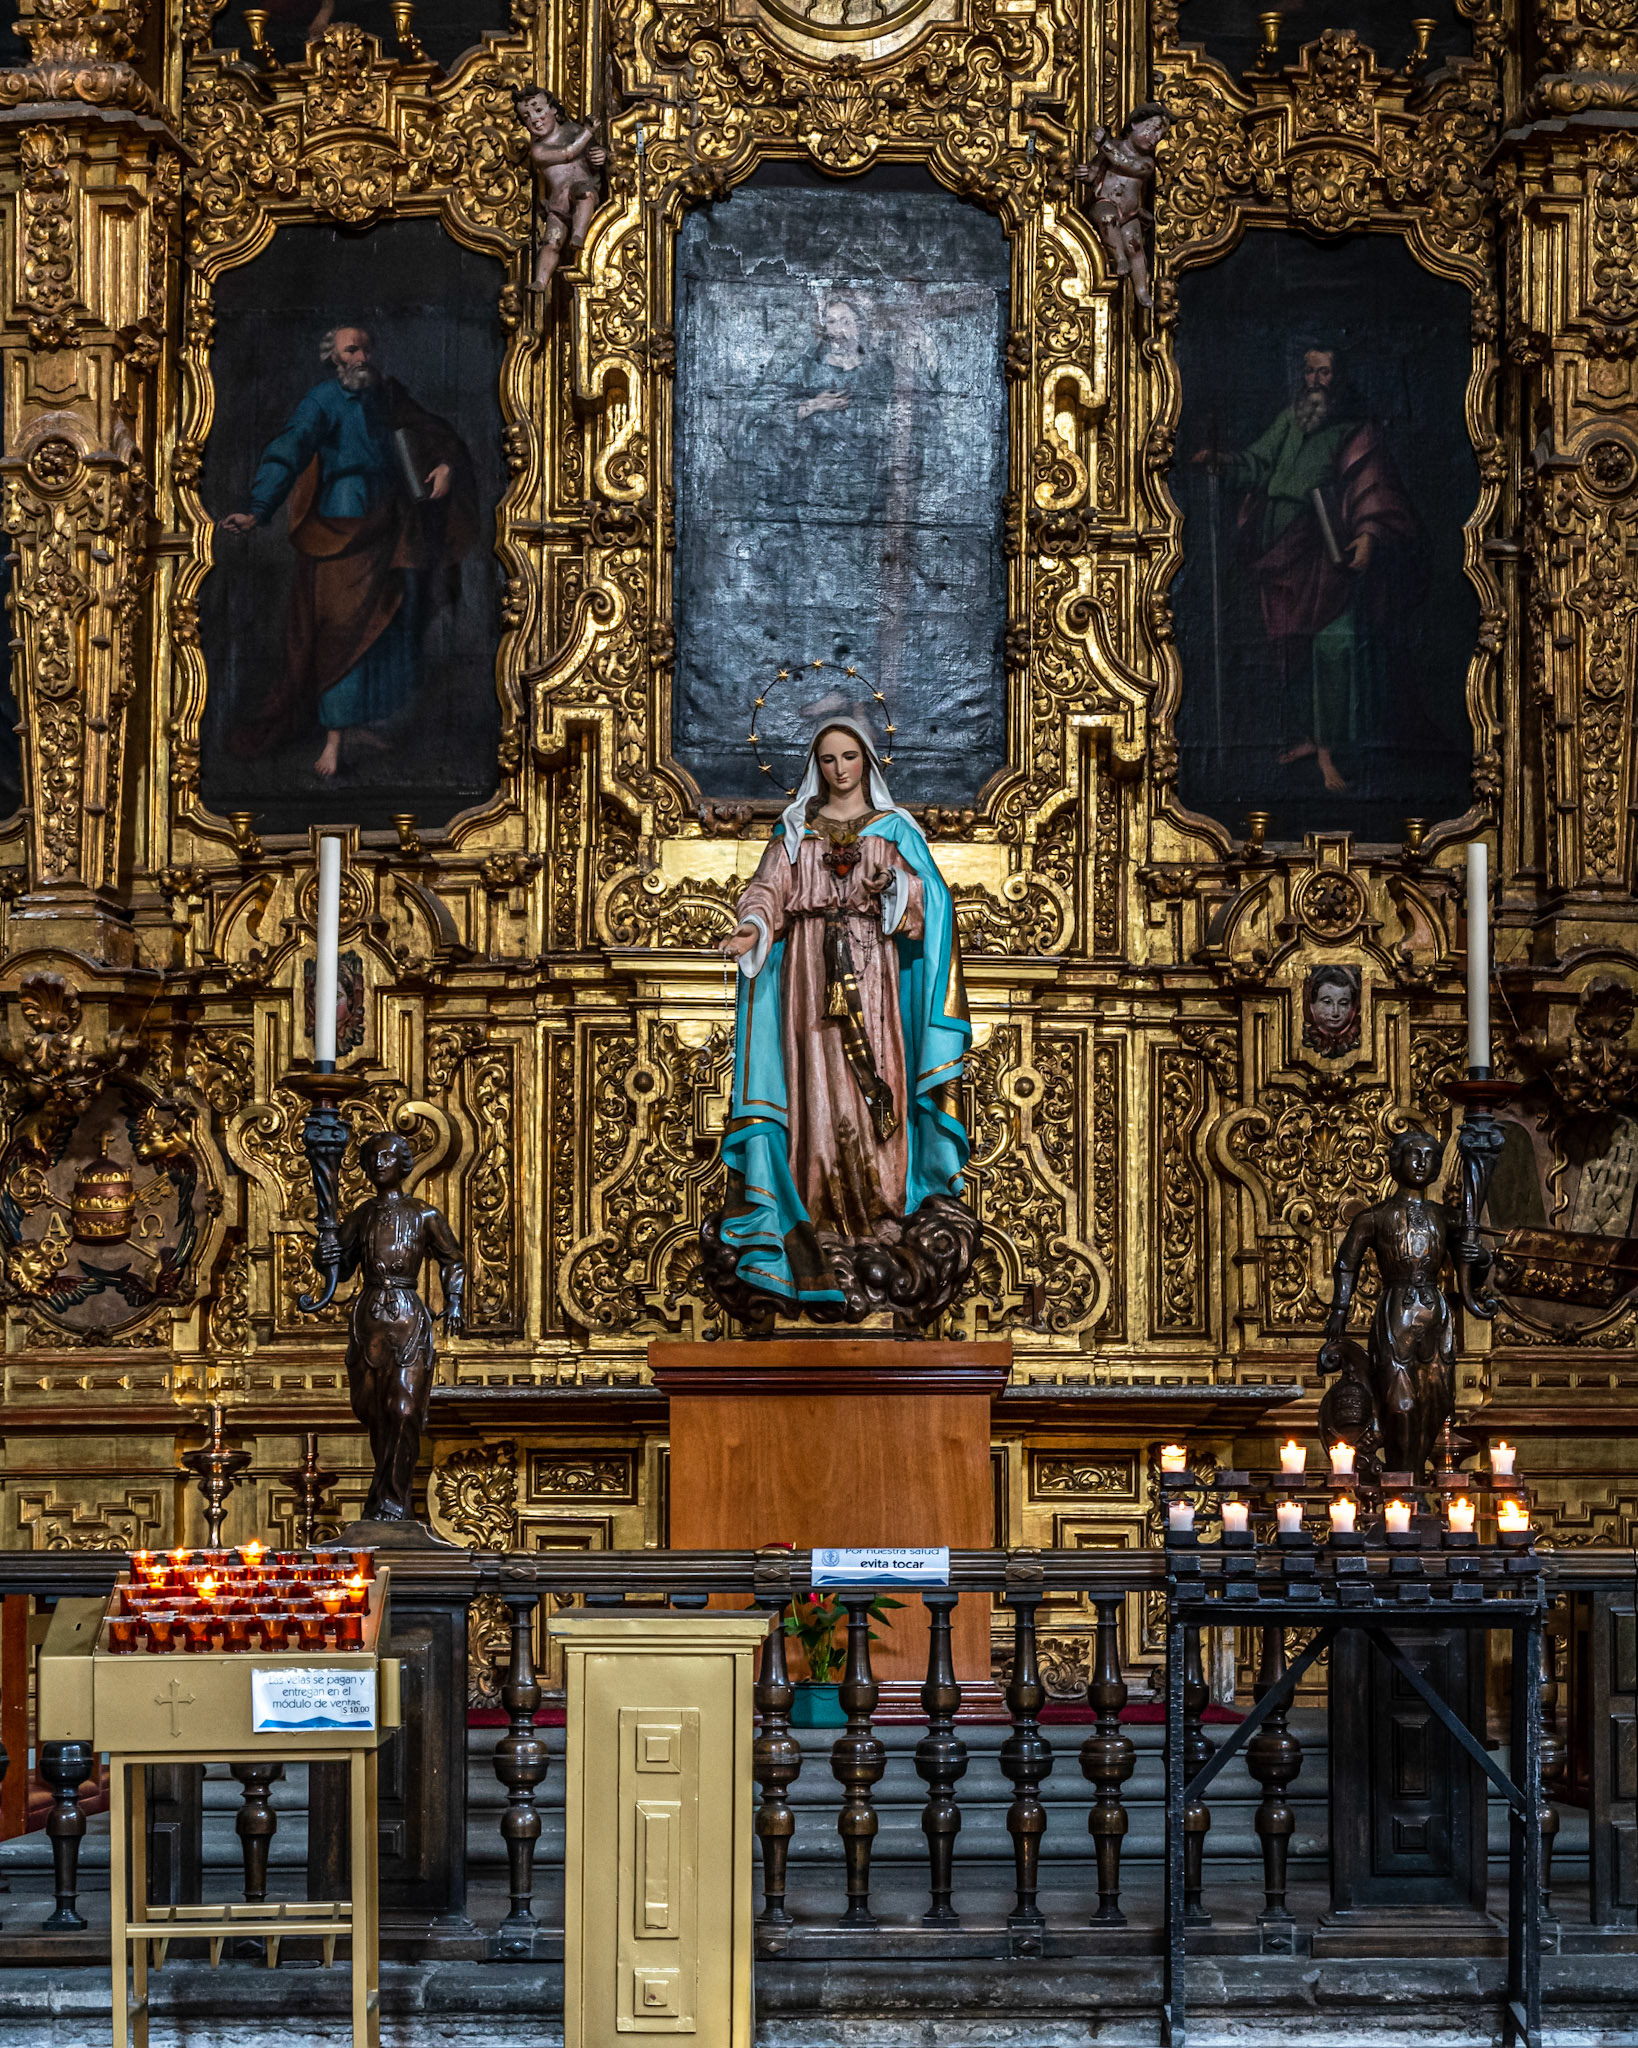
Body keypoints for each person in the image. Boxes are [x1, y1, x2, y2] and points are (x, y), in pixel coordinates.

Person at [711, 721, 971, 1313]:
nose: (839, 769)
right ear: (815, 765)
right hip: (806, 978)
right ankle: (819, 1218)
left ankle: (882, 1218)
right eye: (827, 760)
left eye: (849, 756)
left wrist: (892, 889)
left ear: (867, 761)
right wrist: (752, 927)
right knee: (815, 1099)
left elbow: (931, 903)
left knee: (872, 1089)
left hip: (872, 973)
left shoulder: (894, 830)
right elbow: (767, 892)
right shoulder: (795, 831)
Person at [219, 325, 476, 781]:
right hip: (340, 521)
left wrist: (444, 465)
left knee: (382, 624)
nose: (361, 356)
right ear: (334, 358)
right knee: (341, 627)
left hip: (390, 522)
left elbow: (435, 432)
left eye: (366, 348)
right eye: (351, 349)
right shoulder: (321, 402)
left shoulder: (387, 395)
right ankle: (333, 738)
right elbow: (289, 448)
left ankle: (354, 725)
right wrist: (259, 510)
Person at [1193, 346, 1418, 794]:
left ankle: (1330, 753)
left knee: (1333, 648)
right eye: (1309, 371)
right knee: (1290, 647)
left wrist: (1369, 535)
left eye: (1324, 372)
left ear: (1341, 377)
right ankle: (1311, 740)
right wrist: (1225, 464)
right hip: (1279, 551)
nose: (1314, 380)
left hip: (1324, 546)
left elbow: (1375, 488)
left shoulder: (1357, 431)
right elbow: (1259, 463)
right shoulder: (1292, 420)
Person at [333, 1131, 465, 1525]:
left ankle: (393, 1502)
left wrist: (453, 1300)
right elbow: (340, 1270)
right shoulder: (361, 1216)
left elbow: (452, 1259)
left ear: (403, 1164)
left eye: (388, 1157)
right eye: (373, 1158)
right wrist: (328, 1250)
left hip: (408, 1318)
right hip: (369, 1319)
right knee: (375, 1413)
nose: (379, 1164)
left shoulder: (424, 1214)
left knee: (404, 1410)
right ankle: (384, 1501)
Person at [1318, 1128, 1460, 1479]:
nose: (1422, 1163)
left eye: (1430, 1156)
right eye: (1414, 1154)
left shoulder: (1446, 1217)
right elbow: (1347, 1262)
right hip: (1396, 1311)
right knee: (1400, 1404)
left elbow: (1472, 1268)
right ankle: (1401, 1477)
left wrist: (1478, 1258)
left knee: (1437, 1402)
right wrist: (1340, 1309)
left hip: (1437, 1314)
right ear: (1395, 1160)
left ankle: (1415, 1478)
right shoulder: (1375, 1216)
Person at [1071, 104, 1170, 309]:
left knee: (1135, 245)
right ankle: (1119, 257)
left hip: (1130, 213)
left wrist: (1105, 144)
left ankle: (1141, 290)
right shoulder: (1111, 146)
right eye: (1151, 130)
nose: (1154, 139)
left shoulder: (1146, 163)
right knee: (1108, 219)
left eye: (1159, 137)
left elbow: (1125, 164)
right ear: (1134, 124)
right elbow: (1096, 171)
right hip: (1104, 203)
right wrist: (1085, 173)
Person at [516, 87, 606, 295]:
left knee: (585, 195)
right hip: (559, 201)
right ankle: (540, 280)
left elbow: (593, 153)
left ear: (554, 110)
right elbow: (568, 153)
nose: (535, 119)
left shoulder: (574, 131)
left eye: (538, 110)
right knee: (550, 242)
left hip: (580, 188)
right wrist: (589, 131)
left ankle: (578, 236)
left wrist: (601, 155)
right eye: (526, 117)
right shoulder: (538, 150)